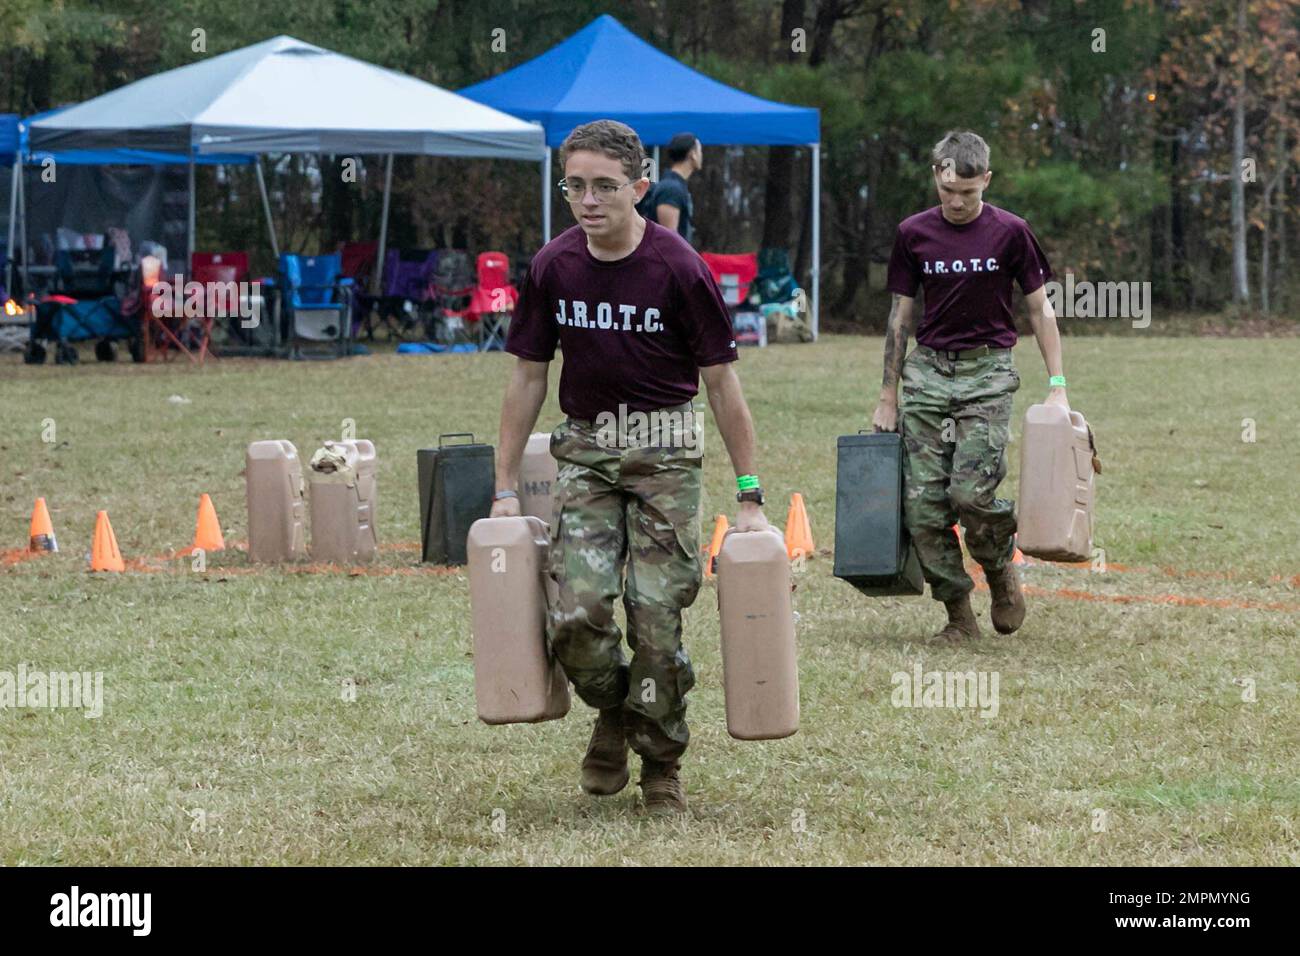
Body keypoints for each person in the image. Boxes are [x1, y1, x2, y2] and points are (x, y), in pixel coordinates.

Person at [492, 120, 769, 814]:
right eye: (575, 186)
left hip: (666, 454)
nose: (588, 200)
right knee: (575, 616)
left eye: (605, 186)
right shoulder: (553, 265)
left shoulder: (678, 266)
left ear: (641, 188)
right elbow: (527, 378)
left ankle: (661, 763)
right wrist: (502, 489)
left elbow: (723, 385)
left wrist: (749, 493)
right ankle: (616, 713)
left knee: (655, 619)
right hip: (586, 452)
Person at [870, 130, 1069, 642]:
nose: (957, 203)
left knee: (971, 494)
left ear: (986, 180)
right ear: (937, 177)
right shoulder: (913, 234)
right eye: (947, 191)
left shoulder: (1011, 232)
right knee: (922, 507)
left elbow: (1039, 307)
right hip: (929, 373)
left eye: (968, 192)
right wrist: (888, 393)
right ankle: (957, 612)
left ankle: (1001, 571)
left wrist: (1058, 384)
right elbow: (900, 316)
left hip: (988, 373)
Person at [637, 132, 701, 244]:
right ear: (693, 154)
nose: (701, 155)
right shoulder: (671, 189)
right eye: (700, 150)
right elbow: (670, 240)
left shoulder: (675, 186)